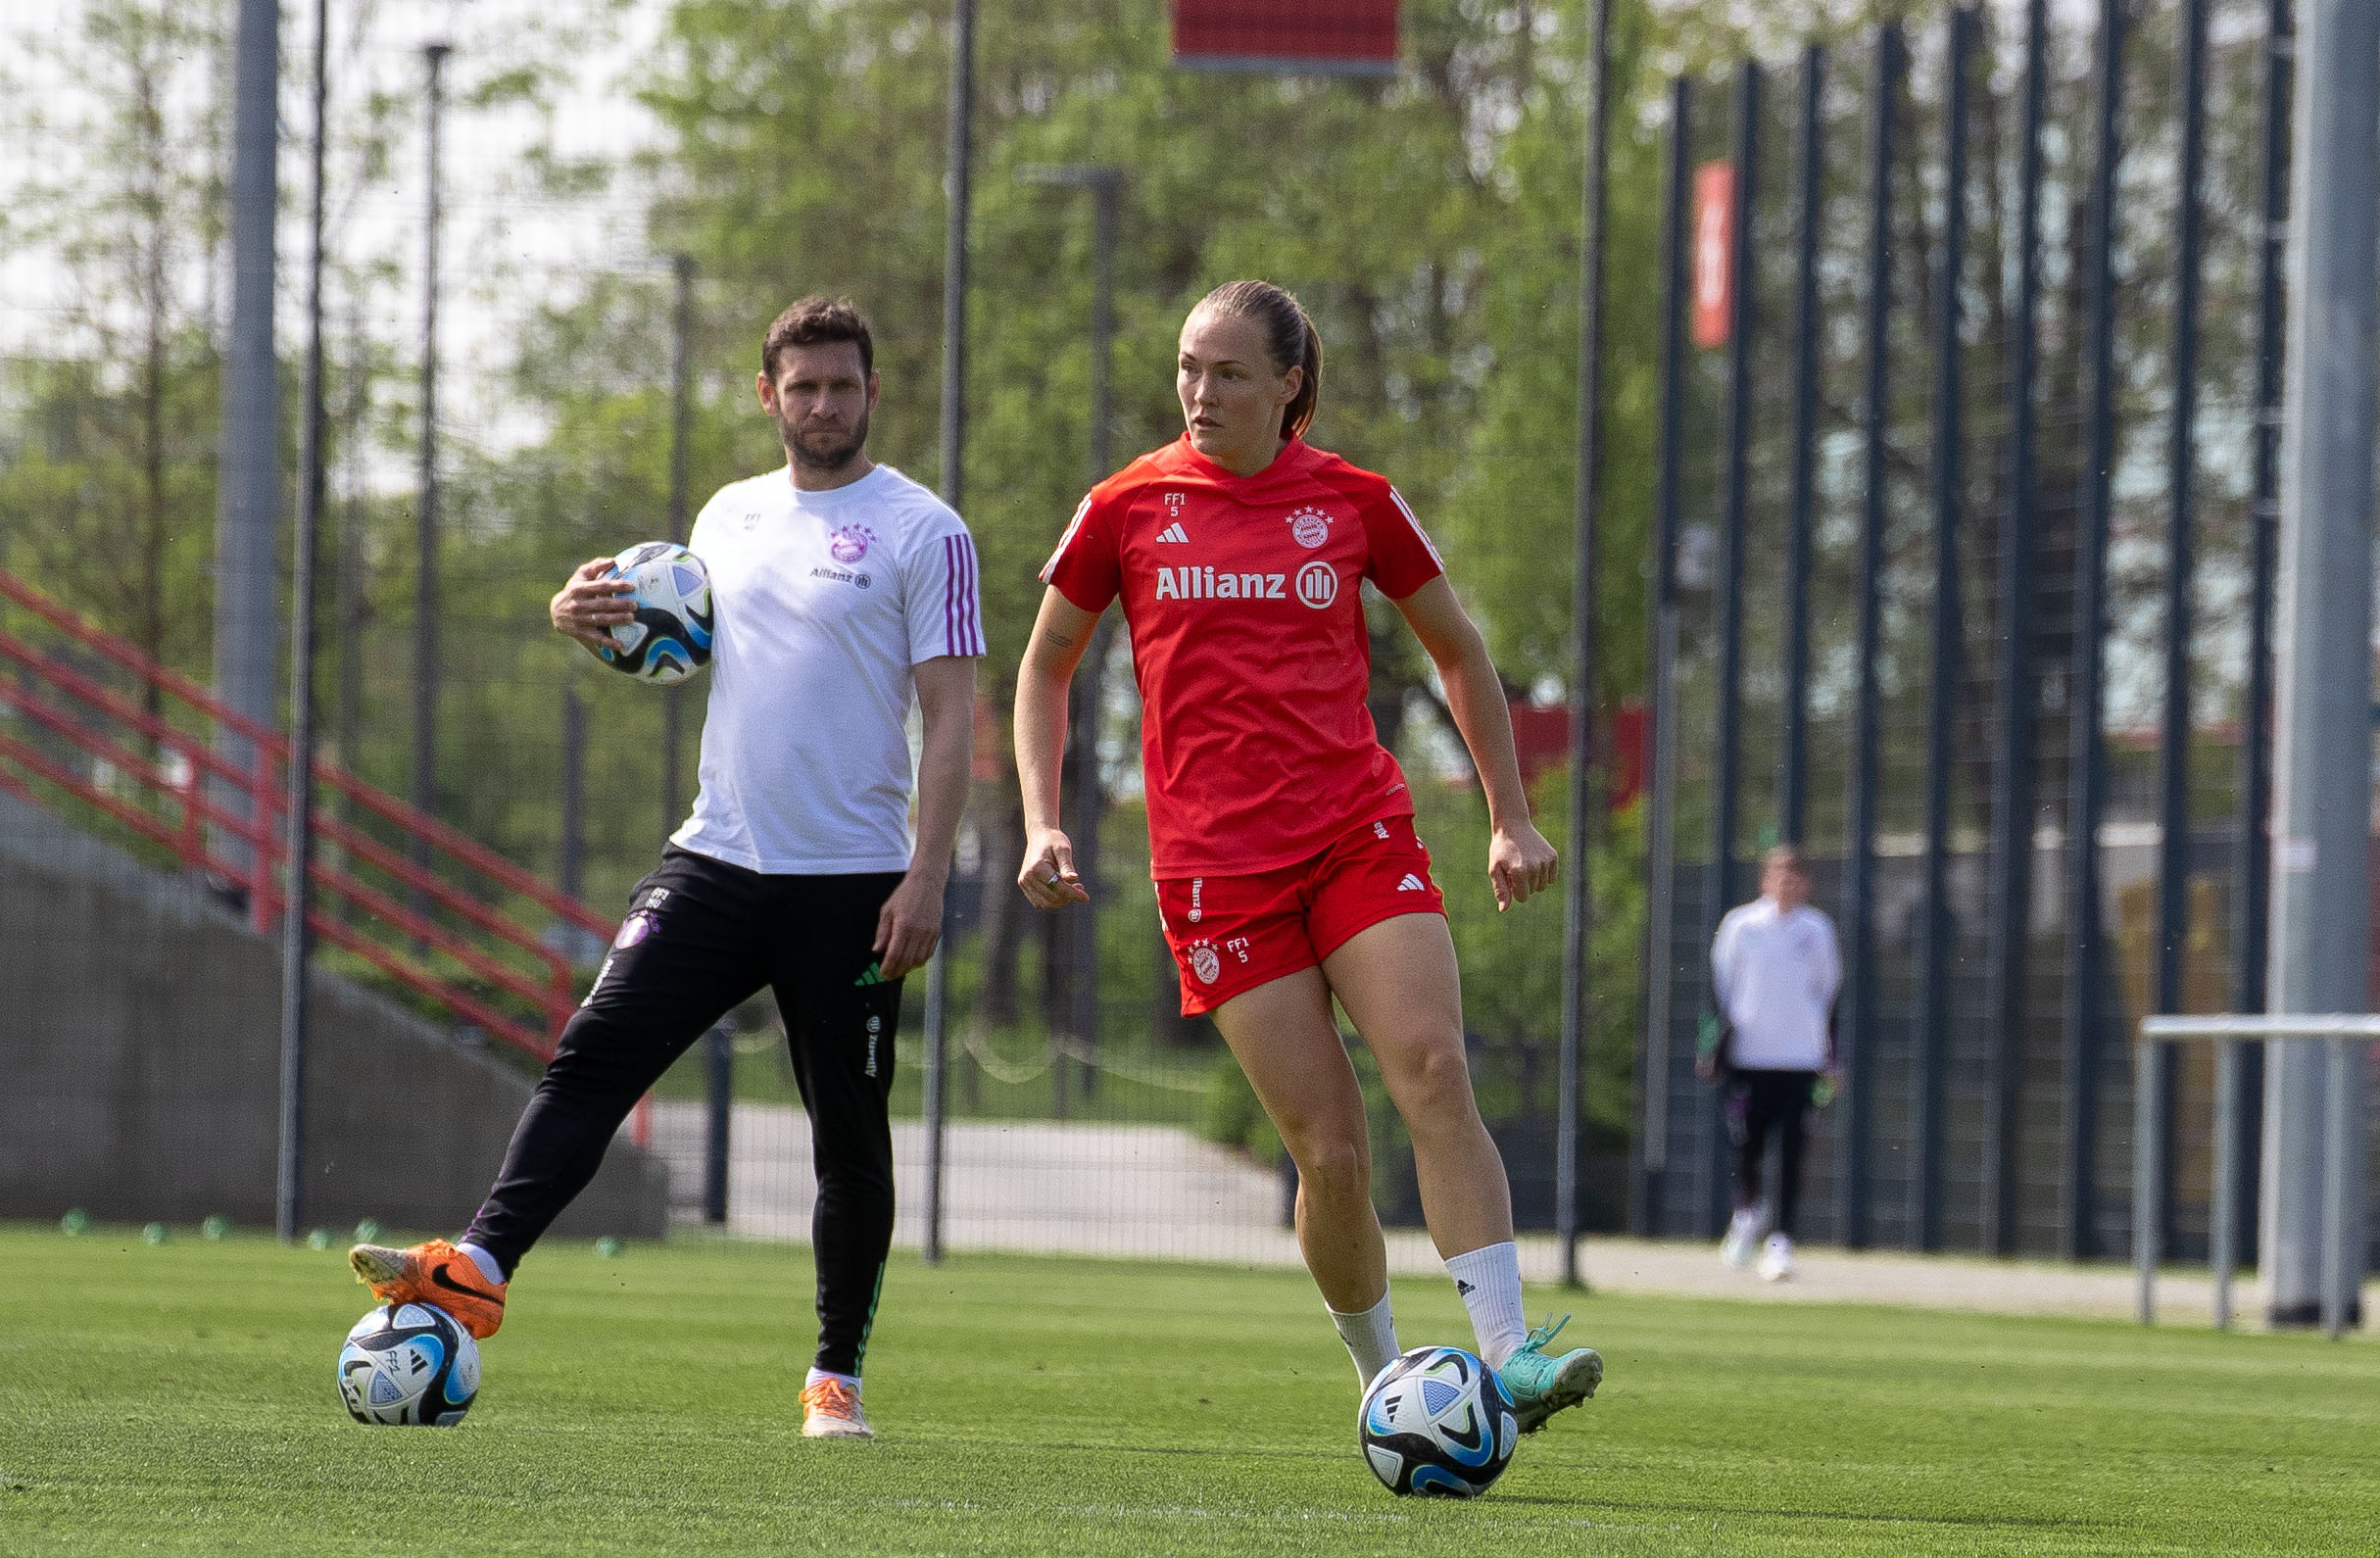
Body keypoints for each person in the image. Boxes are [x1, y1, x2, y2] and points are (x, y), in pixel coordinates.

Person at [346, 296, 982, 1440]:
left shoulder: (923, 530)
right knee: (592, 1053)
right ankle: (480, 1266)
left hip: (852, 884)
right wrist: (578, 613)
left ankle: (834, 1377)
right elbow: (667, 635)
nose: (824, 405)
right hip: (716, 859)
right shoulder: (726, 517)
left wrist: (925, 876)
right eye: (803, 388)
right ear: (767, 396)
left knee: (848, 1131)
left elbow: (950, 719)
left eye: (842, 385)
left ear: (872, 392)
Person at [1010, 280, 1602, 1432]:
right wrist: (1042, 817)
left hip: (1353, 832)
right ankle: (1387, 1383)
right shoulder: (1123, 507)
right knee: (1329, 1153)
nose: (1199, 392)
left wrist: (1508, 813)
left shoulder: (1352, 500)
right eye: (1187, 366)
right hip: (1214, 875)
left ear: (1290, 387)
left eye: (1228, 372)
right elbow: (1044, 667)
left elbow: (1458, 650)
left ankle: (1509, 1353)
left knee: (1430, 1065)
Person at [1702, 844, 1842, 1282]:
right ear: (1765, 881)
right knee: (1747, 1143)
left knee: (1793, 1148)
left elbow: (1828, 989)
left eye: (1797, 877)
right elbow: (1722, 986)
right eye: (1780, 876)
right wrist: (1715, 1046)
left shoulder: (1816, 929)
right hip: (1749, 1057)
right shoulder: (1741, 926)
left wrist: (1830, 1054)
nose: (1788, 884)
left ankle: (1781, 1242)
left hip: (1800, 1058)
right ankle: (1747, 1213)